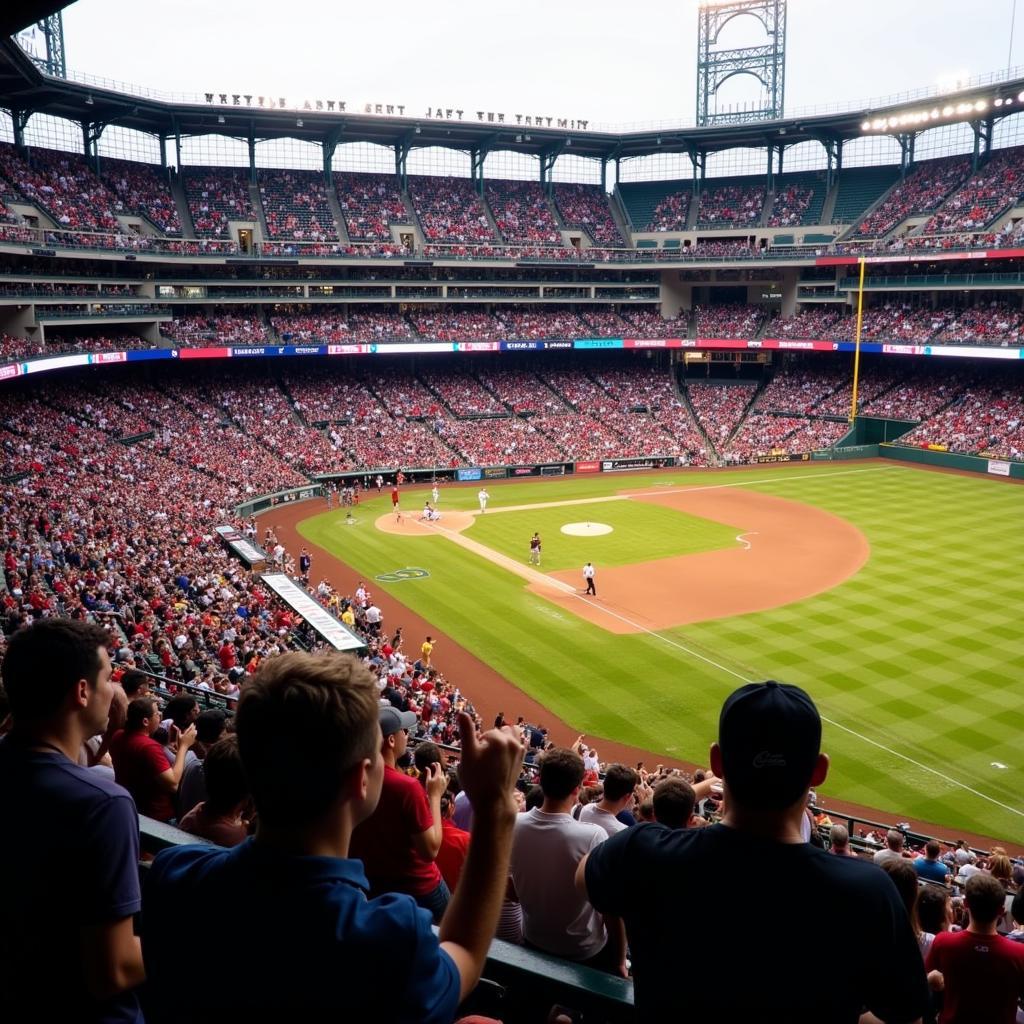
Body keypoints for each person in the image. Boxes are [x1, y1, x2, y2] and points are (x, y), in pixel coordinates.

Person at [142, 652, 524, 1022]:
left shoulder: (175, 873)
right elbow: (465, 955)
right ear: (361, 778)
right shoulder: (387, 935)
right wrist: (496, 809)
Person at [580, 680, 929, 1023]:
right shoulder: (868, 891)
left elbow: (583, 876)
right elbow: (906, 1015)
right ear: (819, 772)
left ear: (717, 762)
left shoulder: (644, 851)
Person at [0, 619, 146, 1023]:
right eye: (107, 678)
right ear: (82, 692)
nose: (113, 689)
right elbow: (112, 971)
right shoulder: (103, 805)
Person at [509, 747, 625, 973]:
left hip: (532, 939)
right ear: (577, 788)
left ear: (540, 781)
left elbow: (511, 891)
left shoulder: (513, 823)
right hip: (583, 951)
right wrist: (620, 960)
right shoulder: (593, 835)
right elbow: (611, 911)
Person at [349, 705, 450, 921]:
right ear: (391, 740)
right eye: (403, 731)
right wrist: (434, 795)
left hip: (372, 884)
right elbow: (430, 850)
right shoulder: (406, 787)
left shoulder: (353, 773)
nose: (407, 735)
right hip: (418, 888)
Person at [925, 872, 1024, 1023]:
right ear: (1001, 911)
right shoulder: (1019, 953)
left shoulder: (943, 941)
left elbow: (927, 980)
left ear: (965, 905)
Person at [110, 696, 197, 822]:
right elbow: (173, 784)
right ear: (145, 721)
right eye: (157, 713)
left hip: (127, 805)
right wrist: (184, 746)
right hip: (155, 816)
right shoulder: (149, 747)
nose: (160, 716)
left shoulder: (117, 735)